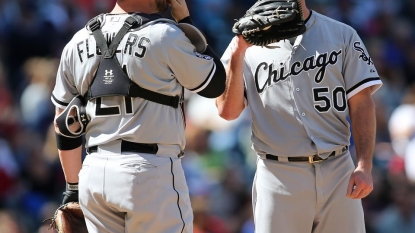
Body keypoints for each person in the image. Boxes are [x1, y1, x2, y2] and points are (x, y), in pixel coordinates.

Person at [51, 0, 226, 232]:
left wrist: (73, 188)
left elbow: (65, 123)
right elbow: (215, 84)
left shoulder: (77, 41)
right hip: (149, 171)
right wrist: (185, 20)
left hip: (95, 174)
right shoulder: (165, 35)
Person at [216, 0, 382, 232]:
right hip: (279, 175)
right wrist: (239, 51)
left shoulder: (342, 34)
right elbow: (227, 111)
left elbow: (362, 103)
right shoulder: (246, 42)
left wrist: (364, 165)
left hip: (338, 170)